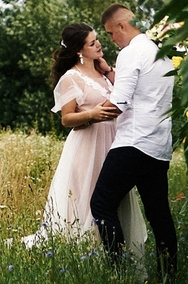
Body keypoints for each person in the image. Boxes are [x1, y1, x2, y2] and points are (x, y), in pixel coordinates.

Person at [23, 22, 144, 249]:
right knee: (89, 197)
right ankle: (89, 251)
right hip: (88, 144)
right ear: (79, 50)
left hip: (113, 140)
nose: (99, 44)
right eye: (92, 43)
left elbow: (128, 92)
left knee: (114, 197)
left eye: (97, 39)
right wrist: (92, 114)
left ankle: (120, 250)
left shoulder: (103, 72)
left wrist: (108, 69)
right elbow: (66, 118)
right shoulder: (71, 78)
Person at [90, 2, 179, 273]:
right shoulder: (160, 53)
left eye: (110, 33)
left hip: (133, 142)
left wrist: (88, 115)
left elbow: (120, 101)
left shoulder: (131, 52)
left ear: (121, 25)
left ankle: (119, 273)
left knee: (101, 204)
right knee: (159, 214)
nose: (111, 40)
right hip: (159, 146)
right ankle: (169, 281)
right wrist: (108, 72)